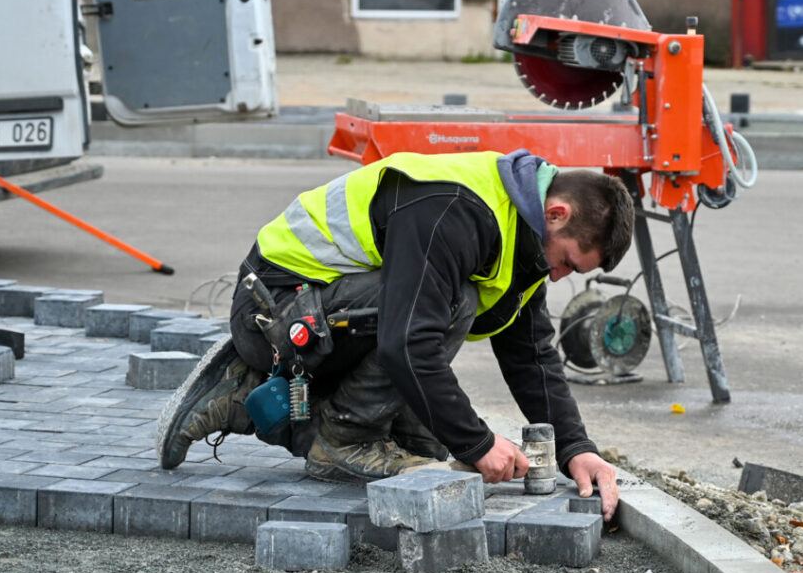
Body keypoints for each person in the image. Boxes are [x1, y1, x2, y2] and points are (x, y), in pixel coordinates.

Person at [156, 149, 633, 520]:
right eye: (568, 262)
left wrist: (577, 449)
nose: (557, 277)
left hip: (322, 317)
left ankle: (244, 394)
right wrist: (479, 443)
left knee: (425, 453)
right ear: (556, 213)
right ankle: (344, 437)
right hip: (275, 311)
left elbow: (531, 355)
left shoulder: (521, 231)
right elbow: (407, 342)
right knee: (450, 305)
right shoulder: (457, 208)